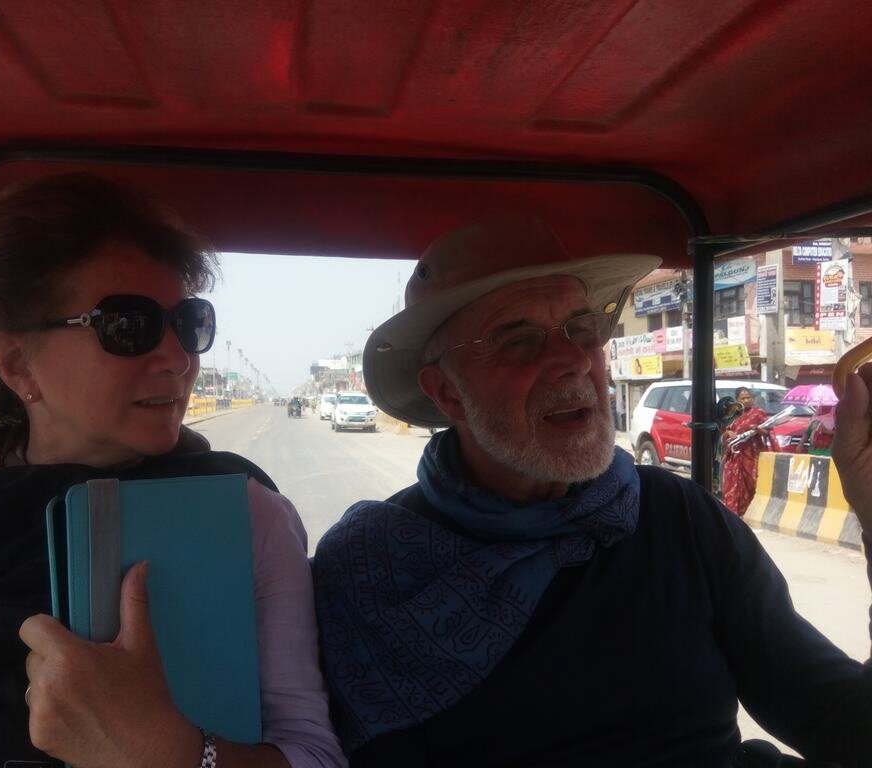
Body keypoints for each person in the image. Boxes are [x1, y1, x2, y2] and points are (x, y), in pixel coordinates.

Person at [311, 216, 872, 767]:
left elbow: (835, 718)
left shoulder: (679, 518)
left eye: (582, 329)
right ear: (448, 394)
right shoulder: (371, 567)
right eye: (519, 340)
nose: (575, 360)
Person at [0, 174, 345, 768]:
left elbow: (313, 751)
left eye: (188, 324)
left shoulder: (248, 515)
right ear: (16, 364)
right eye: (127, 326)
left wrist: (169, 752)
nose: (178, 359)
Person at [721, 386, 773, 516]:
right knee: (733, 484)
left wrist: (758, 430)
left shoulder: (758, 413)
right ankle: (733, 513)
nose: (746, 400)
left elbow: (767, 432)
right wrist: (728, 433)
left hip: (751, 455)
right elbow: (722, 433)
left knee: (752, 483)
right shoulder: (732, 414)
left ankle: (752, 512)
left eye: (748, 397)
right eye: (742, 398)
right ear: (737, 400)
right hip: (735, 454)